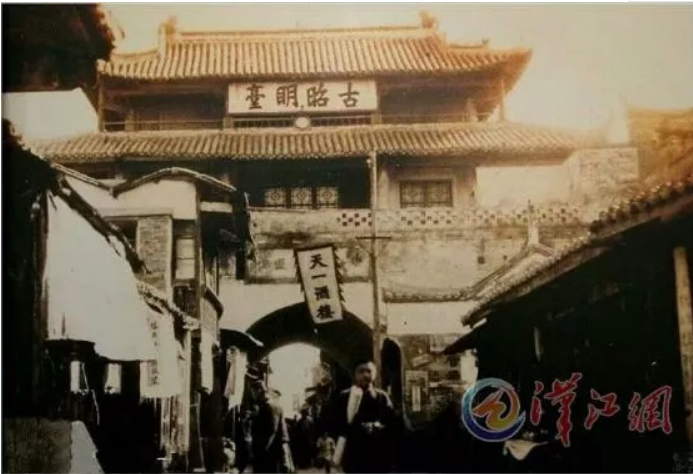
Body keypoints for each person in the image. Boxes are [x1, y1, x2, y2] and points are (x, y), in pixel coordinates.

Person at [330, 361, 397, 473]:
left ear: (374, 374)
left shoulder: (382, 397)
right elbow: (336, 424)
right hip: (354, 455)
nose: (365, 375)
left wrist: (377, 425)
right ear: (355, 374)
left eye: (369, 371)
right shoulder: (344, 397)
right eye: (361, 371)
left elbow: (391, 422)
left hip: (378, 455)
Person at [250, 380, 292, 473]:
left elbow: (271, 431)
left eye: (253, 392)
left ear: (259, 391)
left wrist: (260, 453)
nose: (253, 396)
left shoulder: (269, 406)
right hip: (270, 453)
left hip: (270, 455)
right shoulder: (265, 406)